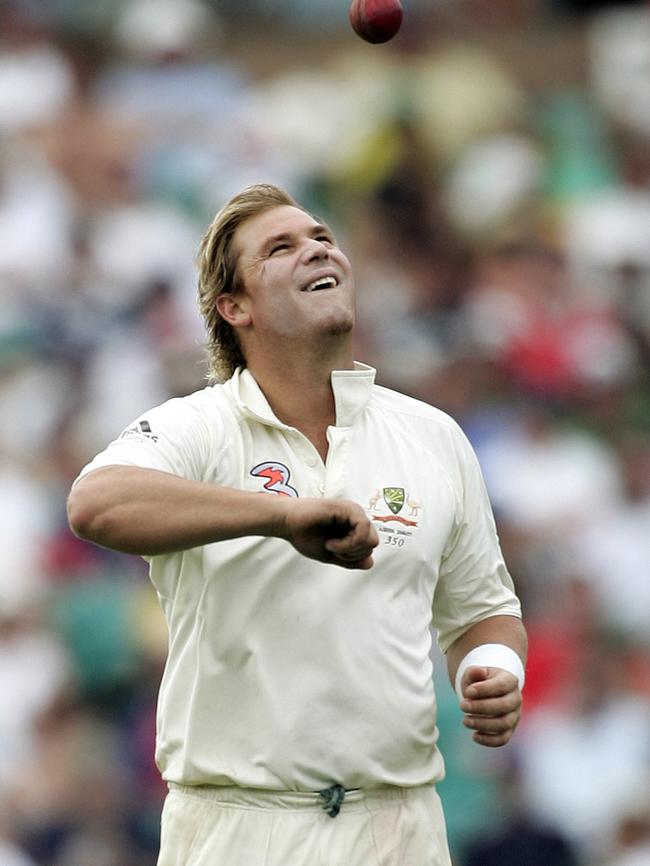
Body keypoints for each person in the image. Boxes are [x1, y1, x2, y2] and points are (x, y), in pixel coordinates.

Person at [67, 183, 527, 866]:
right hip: (237, 828)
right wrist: (280, 517)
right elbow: (95, 504)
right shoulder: (198, 427)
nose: (317, 250)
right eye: (281, 248)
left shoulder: (432, 435)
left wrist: (492, 668)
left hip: (399, 826)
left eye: (321, 238)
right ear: (236, 307)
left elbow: (483, 612)